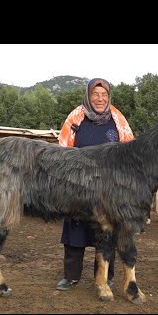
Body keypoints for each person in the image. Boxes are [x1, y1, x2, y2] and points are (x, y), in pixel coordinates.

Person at [55, 78, 134, 291]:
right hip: (78, 184)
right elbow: (62, 150)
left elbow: (129, 152)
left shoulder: (118, 119)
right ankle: (70, 276)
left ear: (109, 97)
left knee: (108, 232)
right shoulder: (76, 117)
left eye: (104, 95)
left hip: (109, 188)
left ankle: (105, 276)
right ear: (88, 96)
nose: (100, 99)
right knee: (75, 231)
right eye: (95, 95)